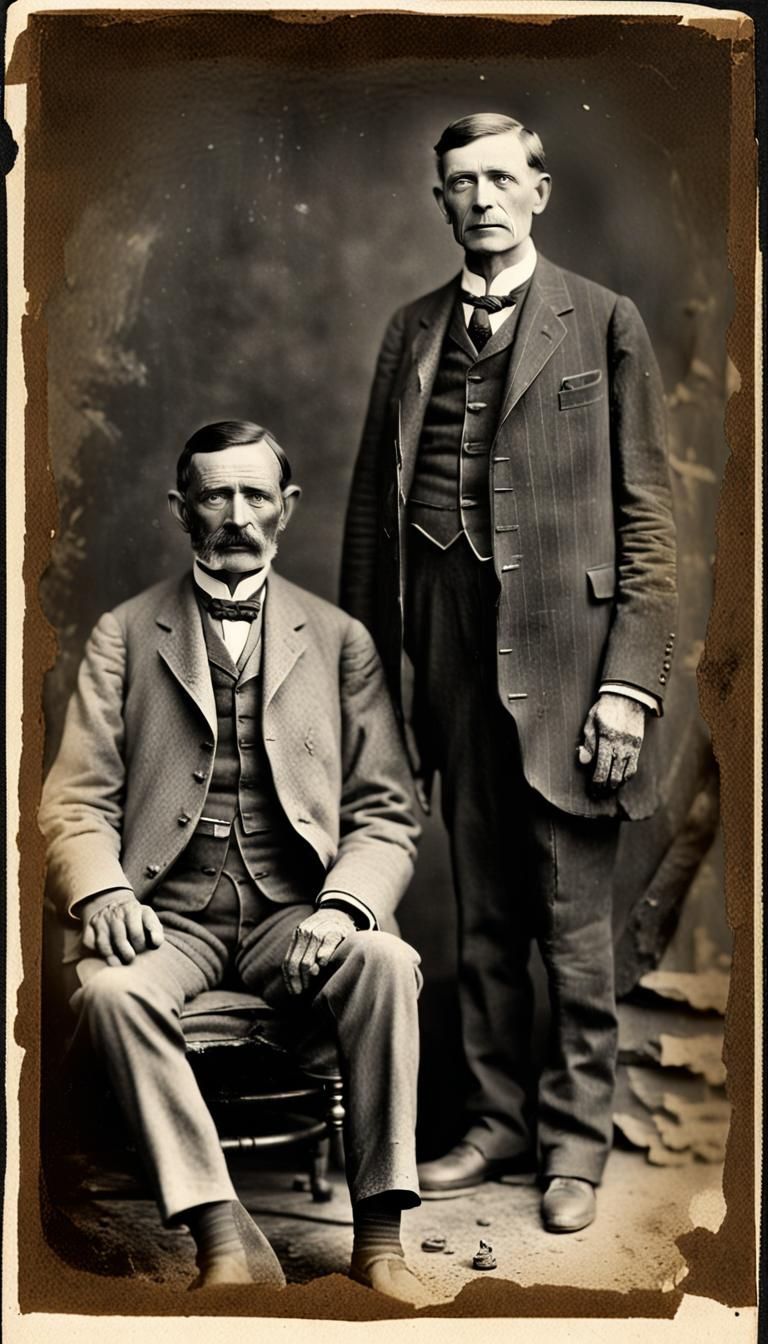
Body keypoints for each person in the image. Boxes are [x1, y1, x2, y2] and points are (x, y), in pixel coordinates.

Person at [341, 113, 677, 1233]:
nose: (480, 198)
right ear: (441, 204)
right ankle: (493, 1122)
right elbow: (365, 530)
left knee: (572, 927)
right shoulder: (412, 330)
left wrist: (628, 685)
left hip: (572, 668)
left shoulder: (608, 323)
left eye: (500, 177)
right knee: (481, 915)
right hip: (441, 655)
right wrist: (367, 693)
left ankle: (575, 1143)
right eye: (459, 183)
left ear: (539, 190)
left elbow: (649, 529)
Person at [39, 419, 430, 1304]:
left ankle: (380, 1242)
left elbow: (385, 813)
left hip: (297, 916)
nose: (236, 514)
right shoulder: (123, 634)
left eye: (256, 494)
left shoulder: (340, 641)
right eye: (216, 494)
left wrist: (340, 910)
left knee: (384, 961)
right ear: (183, 509)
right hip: (167, 918)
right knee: (107, 989)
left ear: (285, 509)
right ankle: (223, 1237)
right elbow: (74, 801)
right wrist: (101, 889)